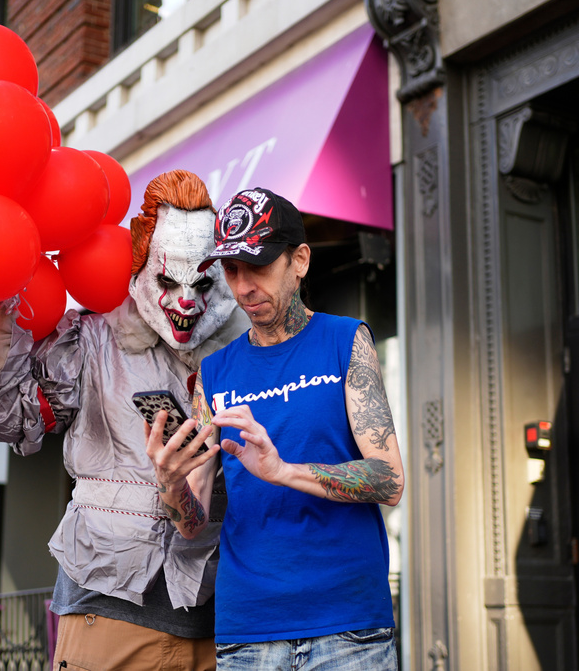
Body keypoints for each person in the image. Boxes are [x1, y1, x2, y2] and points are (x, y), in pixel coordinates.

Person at [0, 170, 251, 671]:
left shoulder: (248, 354)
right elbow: (8, 417)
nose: (187, 300)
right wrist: (0, 315)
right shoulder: (95, 340)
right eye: (167, 279)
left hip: (222, 625)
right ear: (140, 270)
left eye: (203, 283)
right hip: (107, 613)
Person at [146, 187, 405, 670]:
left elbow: (389, 480)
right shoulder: (214, 373)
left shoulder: (346, 341)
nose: (243, 286)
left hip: (348, 624)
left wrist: (282, 470)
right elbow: (192, 524)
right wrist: (170, 484)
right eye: (231, 270)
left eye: (258, 266)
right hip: (249, 630)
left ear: (300, 260)